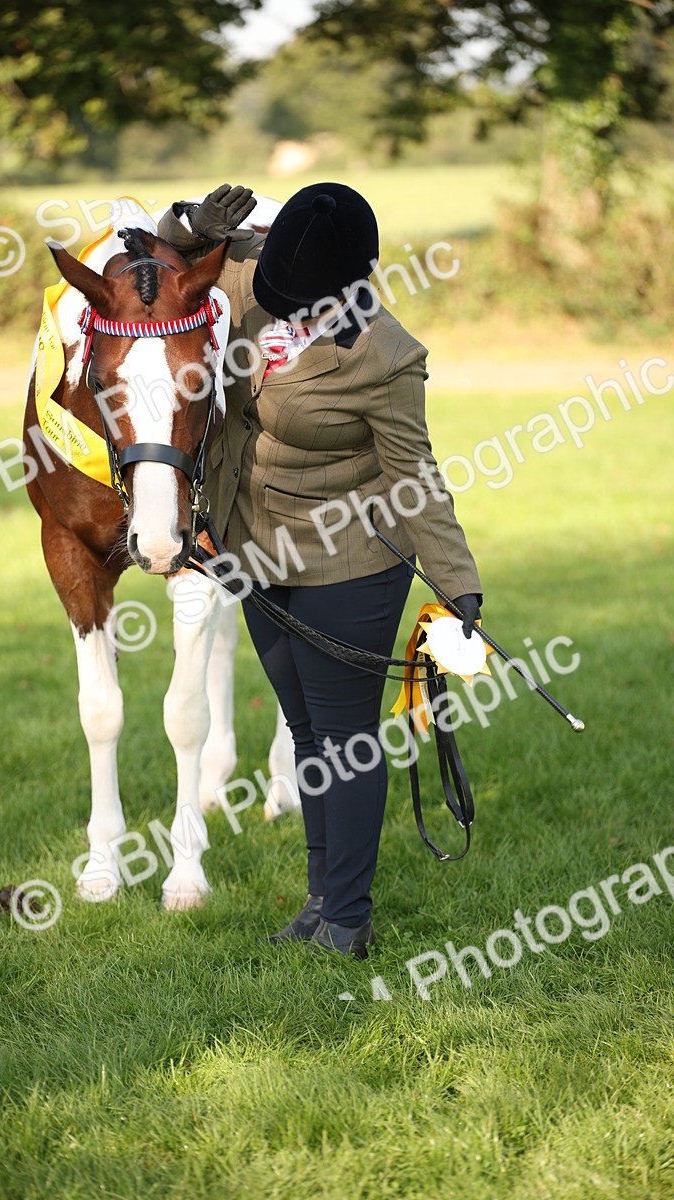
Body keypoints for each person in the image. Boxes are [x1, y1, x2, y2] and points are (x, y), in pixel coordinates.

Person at [158, 183, 482, 958]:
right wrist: (191, 225)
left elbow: (416, 476)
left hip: (352, 560)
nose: (285, 306)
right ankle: (321, 902)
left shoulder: (386, 356)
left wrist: (458, 580)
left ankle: (349, 921)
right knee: (305, 730)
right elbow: (164, 258)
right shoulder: (252, 274)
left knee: (344, 739)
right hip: (256, 553)